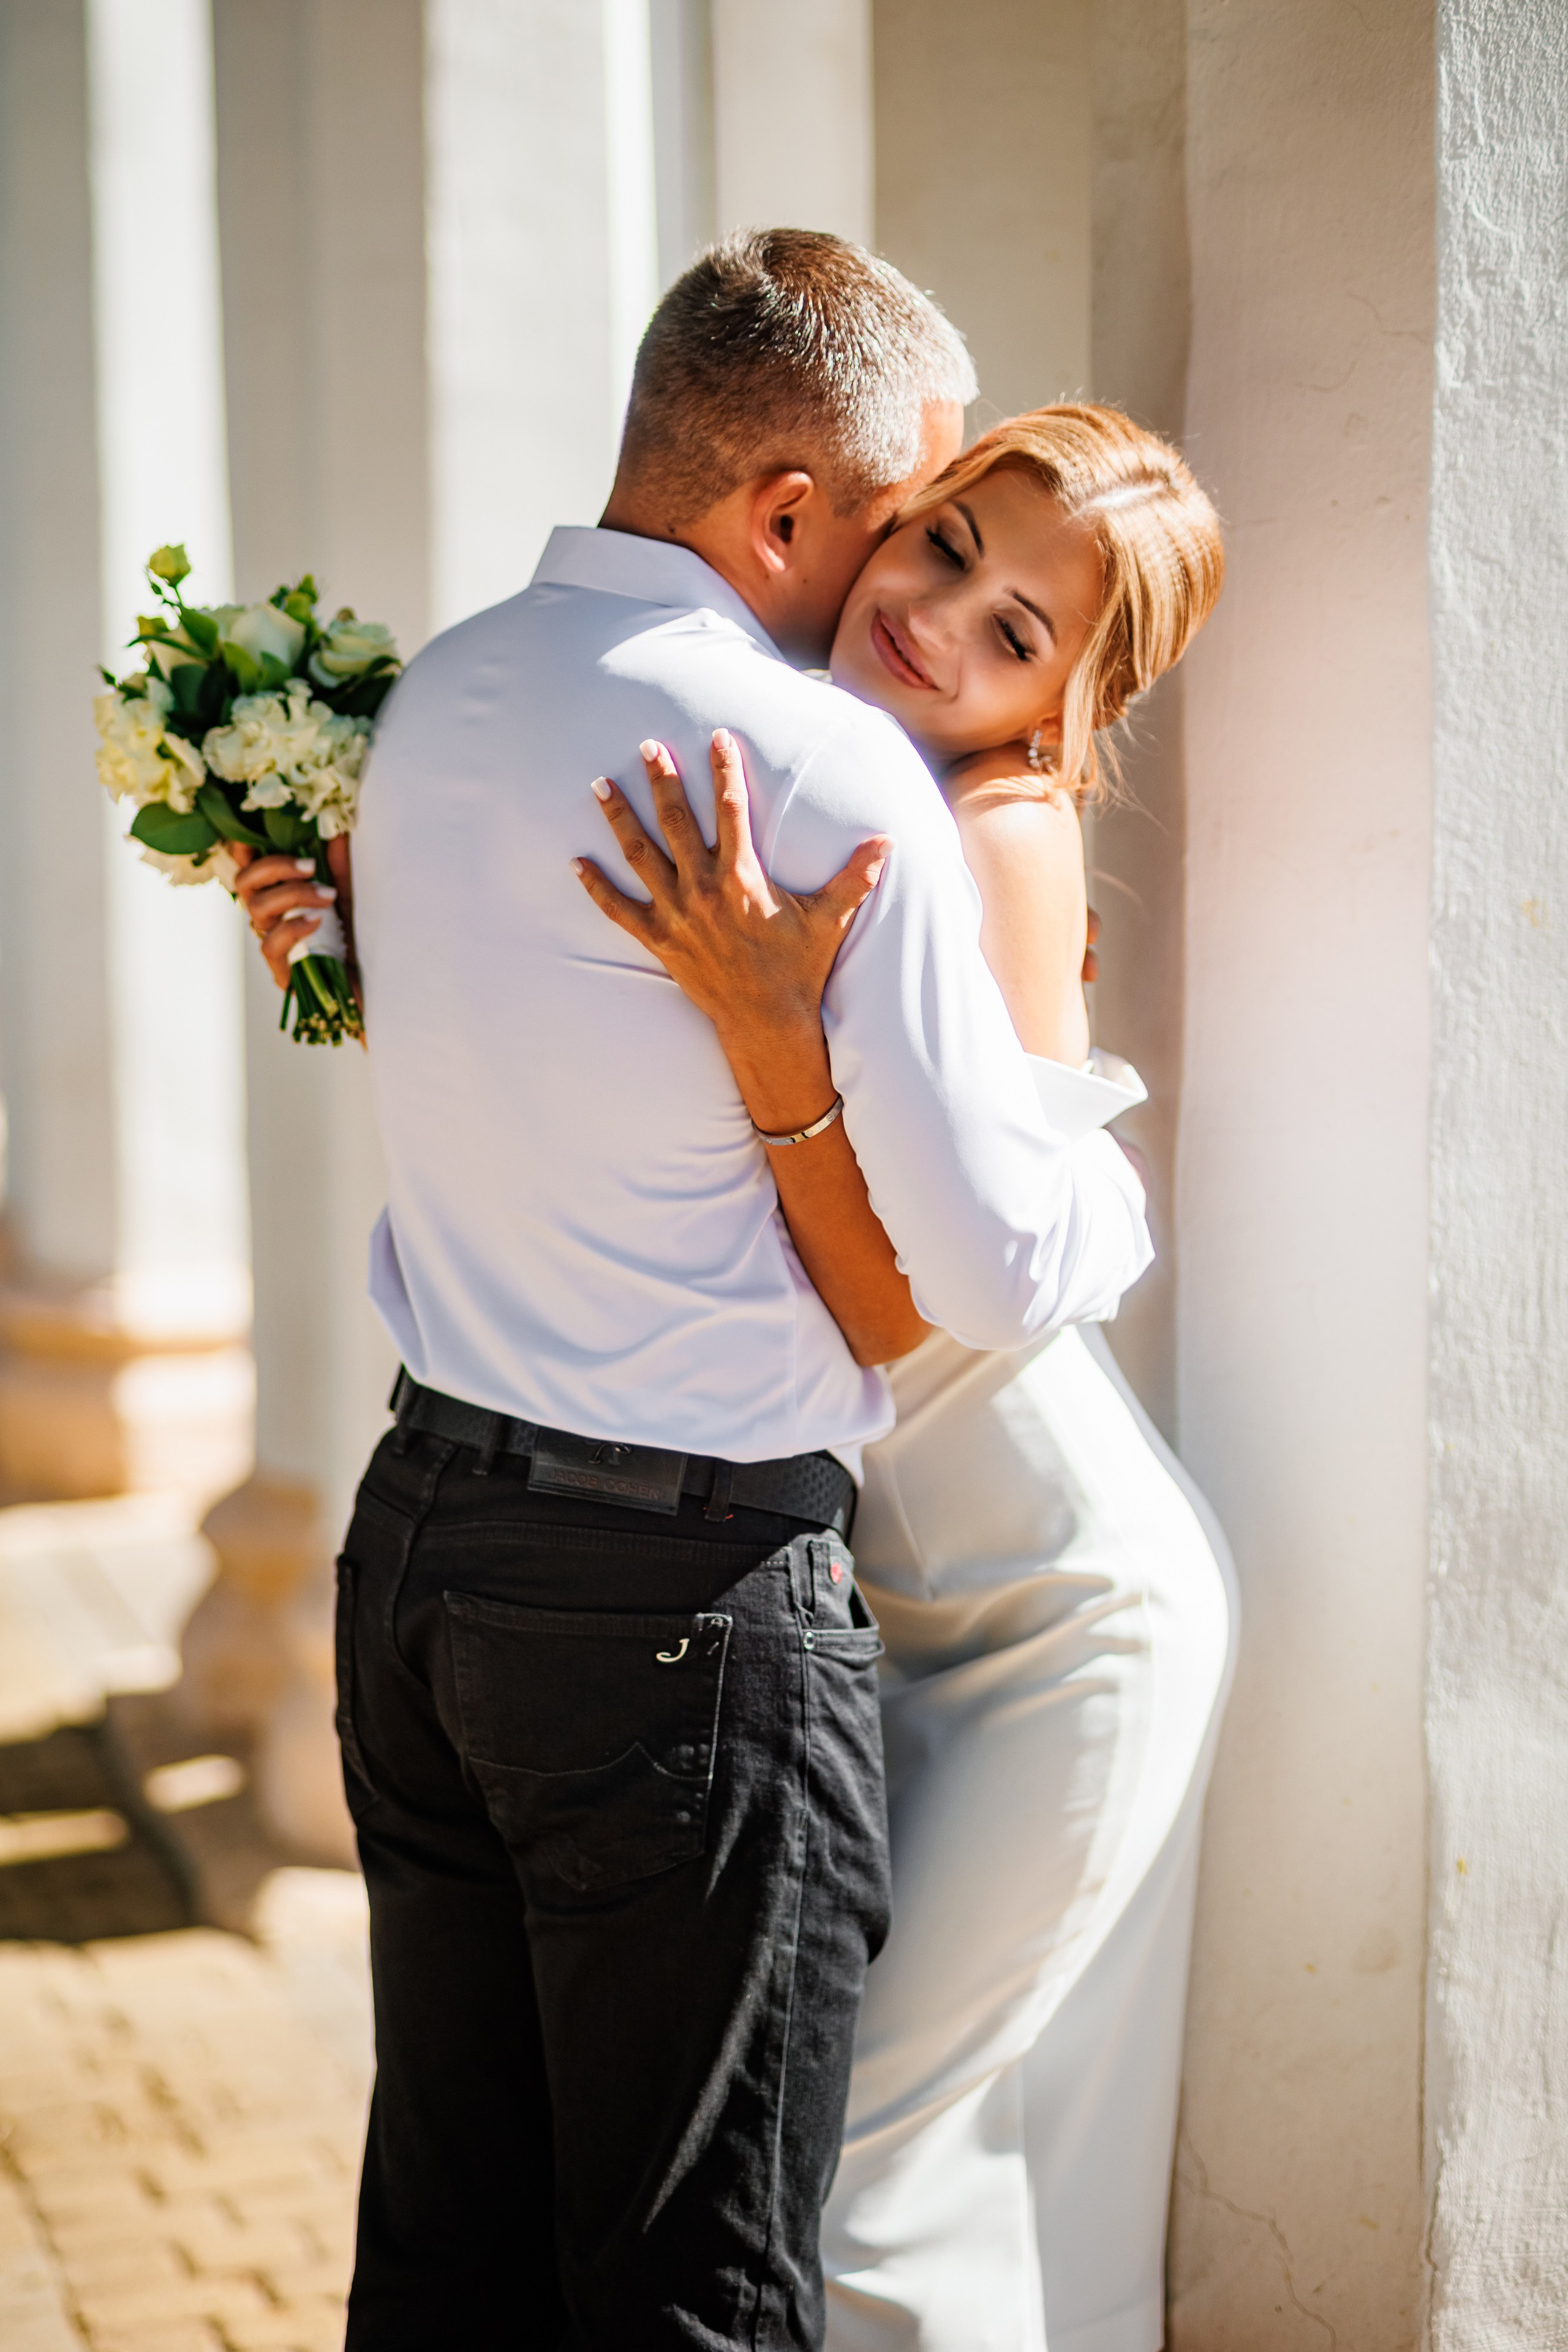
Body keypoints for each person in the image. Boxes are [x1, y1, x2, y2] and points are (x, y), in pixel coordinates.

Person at [236, 233, 1152, 2351]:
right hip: (673, 1620)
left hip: (422, 1560)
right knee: (696, 2289)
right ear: (788, 511)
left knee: (450, 2242)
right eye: (911, 519)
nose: (901, 594)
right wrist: (1091, 1139)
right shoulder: (815, 789)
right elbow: (1010, 1270)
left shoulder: (446, 694)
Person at [564, 404, 1237, 2352]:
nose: (941, 617)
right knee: (950, 2179)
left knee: (863, 2172)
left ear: (1058, 714)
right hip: (915, 1619)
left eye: (1019, 630)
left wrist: (775, 1034)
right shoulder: (804, 759)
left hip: (1064, 1622)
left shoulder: (994, 838)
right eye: (947, 545)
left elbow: (914, 1306)